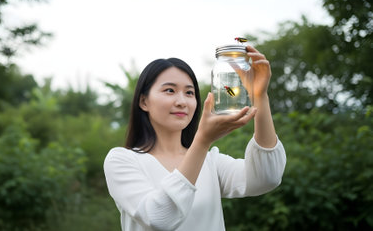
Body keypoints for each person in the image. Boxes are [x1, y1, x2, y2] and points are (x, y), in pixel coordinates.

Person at [103, 46, 287, 231]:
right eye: (169, 90)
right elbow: (159, 218)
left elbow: (266, 177)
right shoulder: (122, 160)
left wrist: (260, 96)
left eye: (189, 93)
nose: (182, 101)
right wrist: (202, 141)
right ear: (144, 101)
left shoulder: (210, 161)